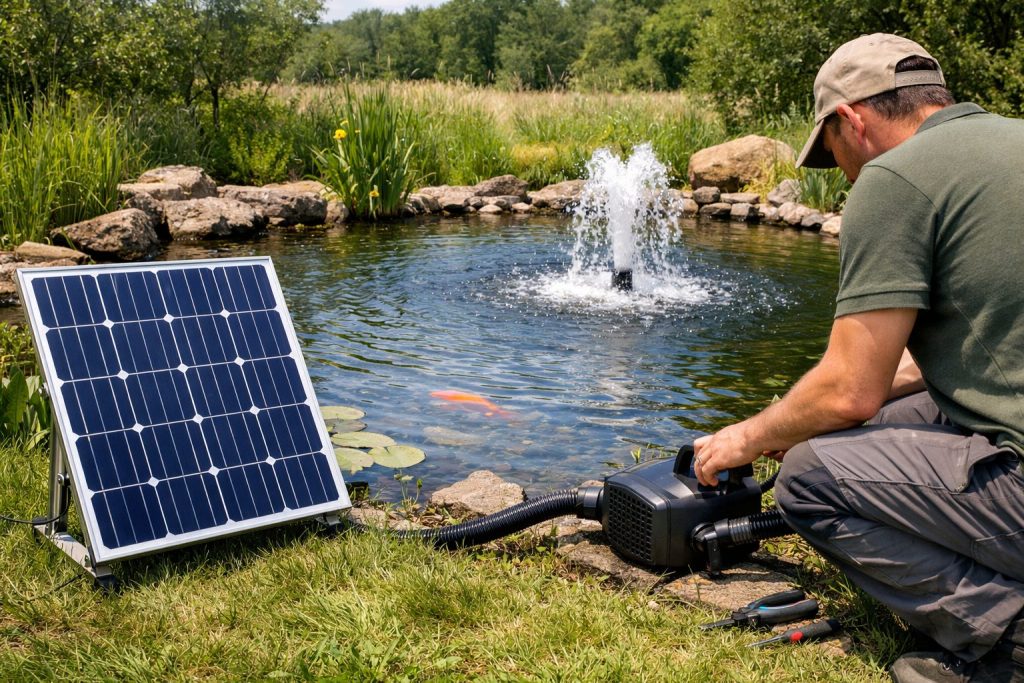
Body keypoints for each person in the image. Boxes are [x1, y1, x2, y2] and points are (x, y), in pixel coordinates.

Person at [691, 33, 1024, 682]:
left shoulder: (895, 177)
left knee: (812, 477)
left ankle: (1003, 637)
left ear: (851, 119)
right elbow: (945, 359)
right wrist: (803, 418)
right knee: (854, 431)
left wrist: (749, 436)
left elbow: (850, 389)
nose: (843, 173)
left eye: (833, 152)